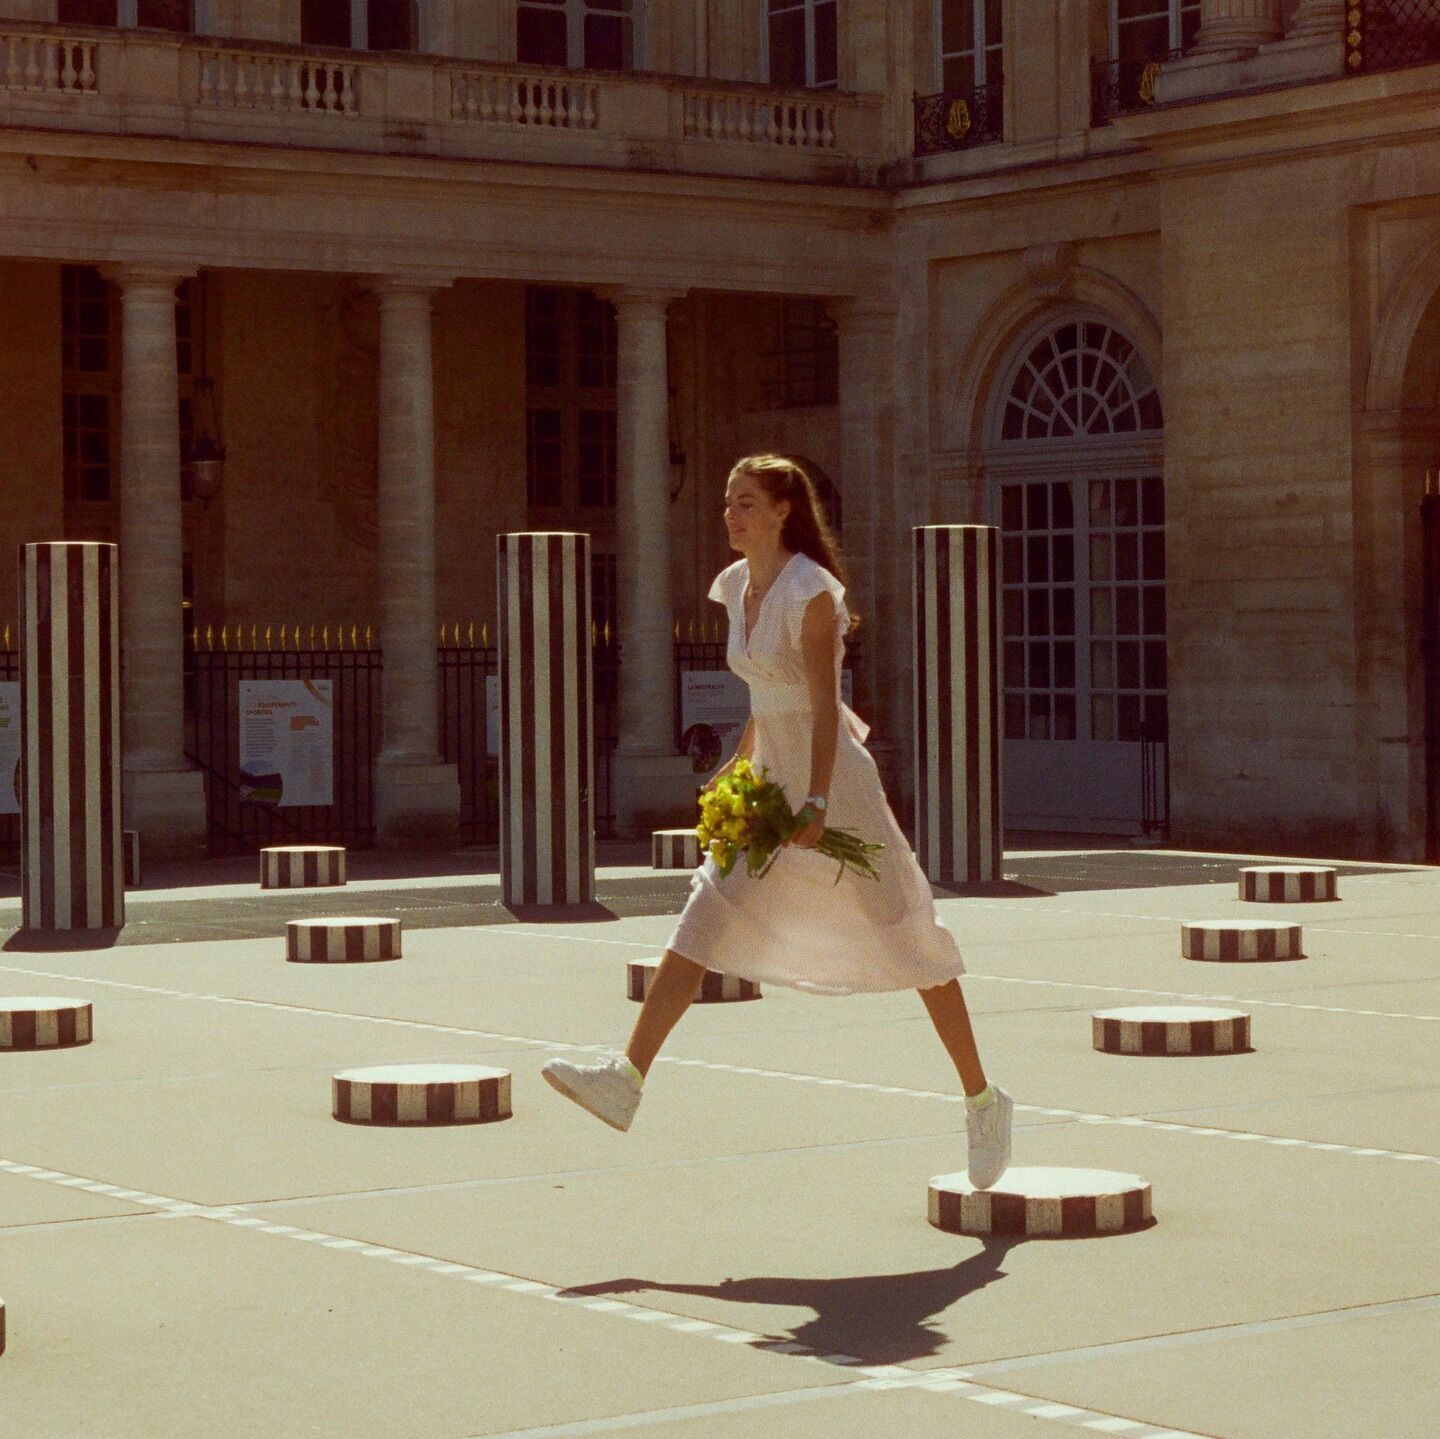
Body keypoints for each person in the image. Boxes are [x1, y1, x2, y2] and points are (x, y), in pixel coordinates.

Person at [542, 454, 1013, 1189]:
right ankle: (625, 1077)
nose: (731, 514)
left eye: (747, 503)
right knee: (703, 917)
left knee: (911, 941)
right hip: (769, 780)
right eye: (729, 502)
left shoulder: (810, 591)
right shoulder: (737, 587)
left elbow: (824, 704)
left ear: (785, 511)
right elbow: (767, 699)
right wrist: (739, 763)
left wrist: (819, 799)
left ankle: (984, 1101)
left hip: (837, 788)